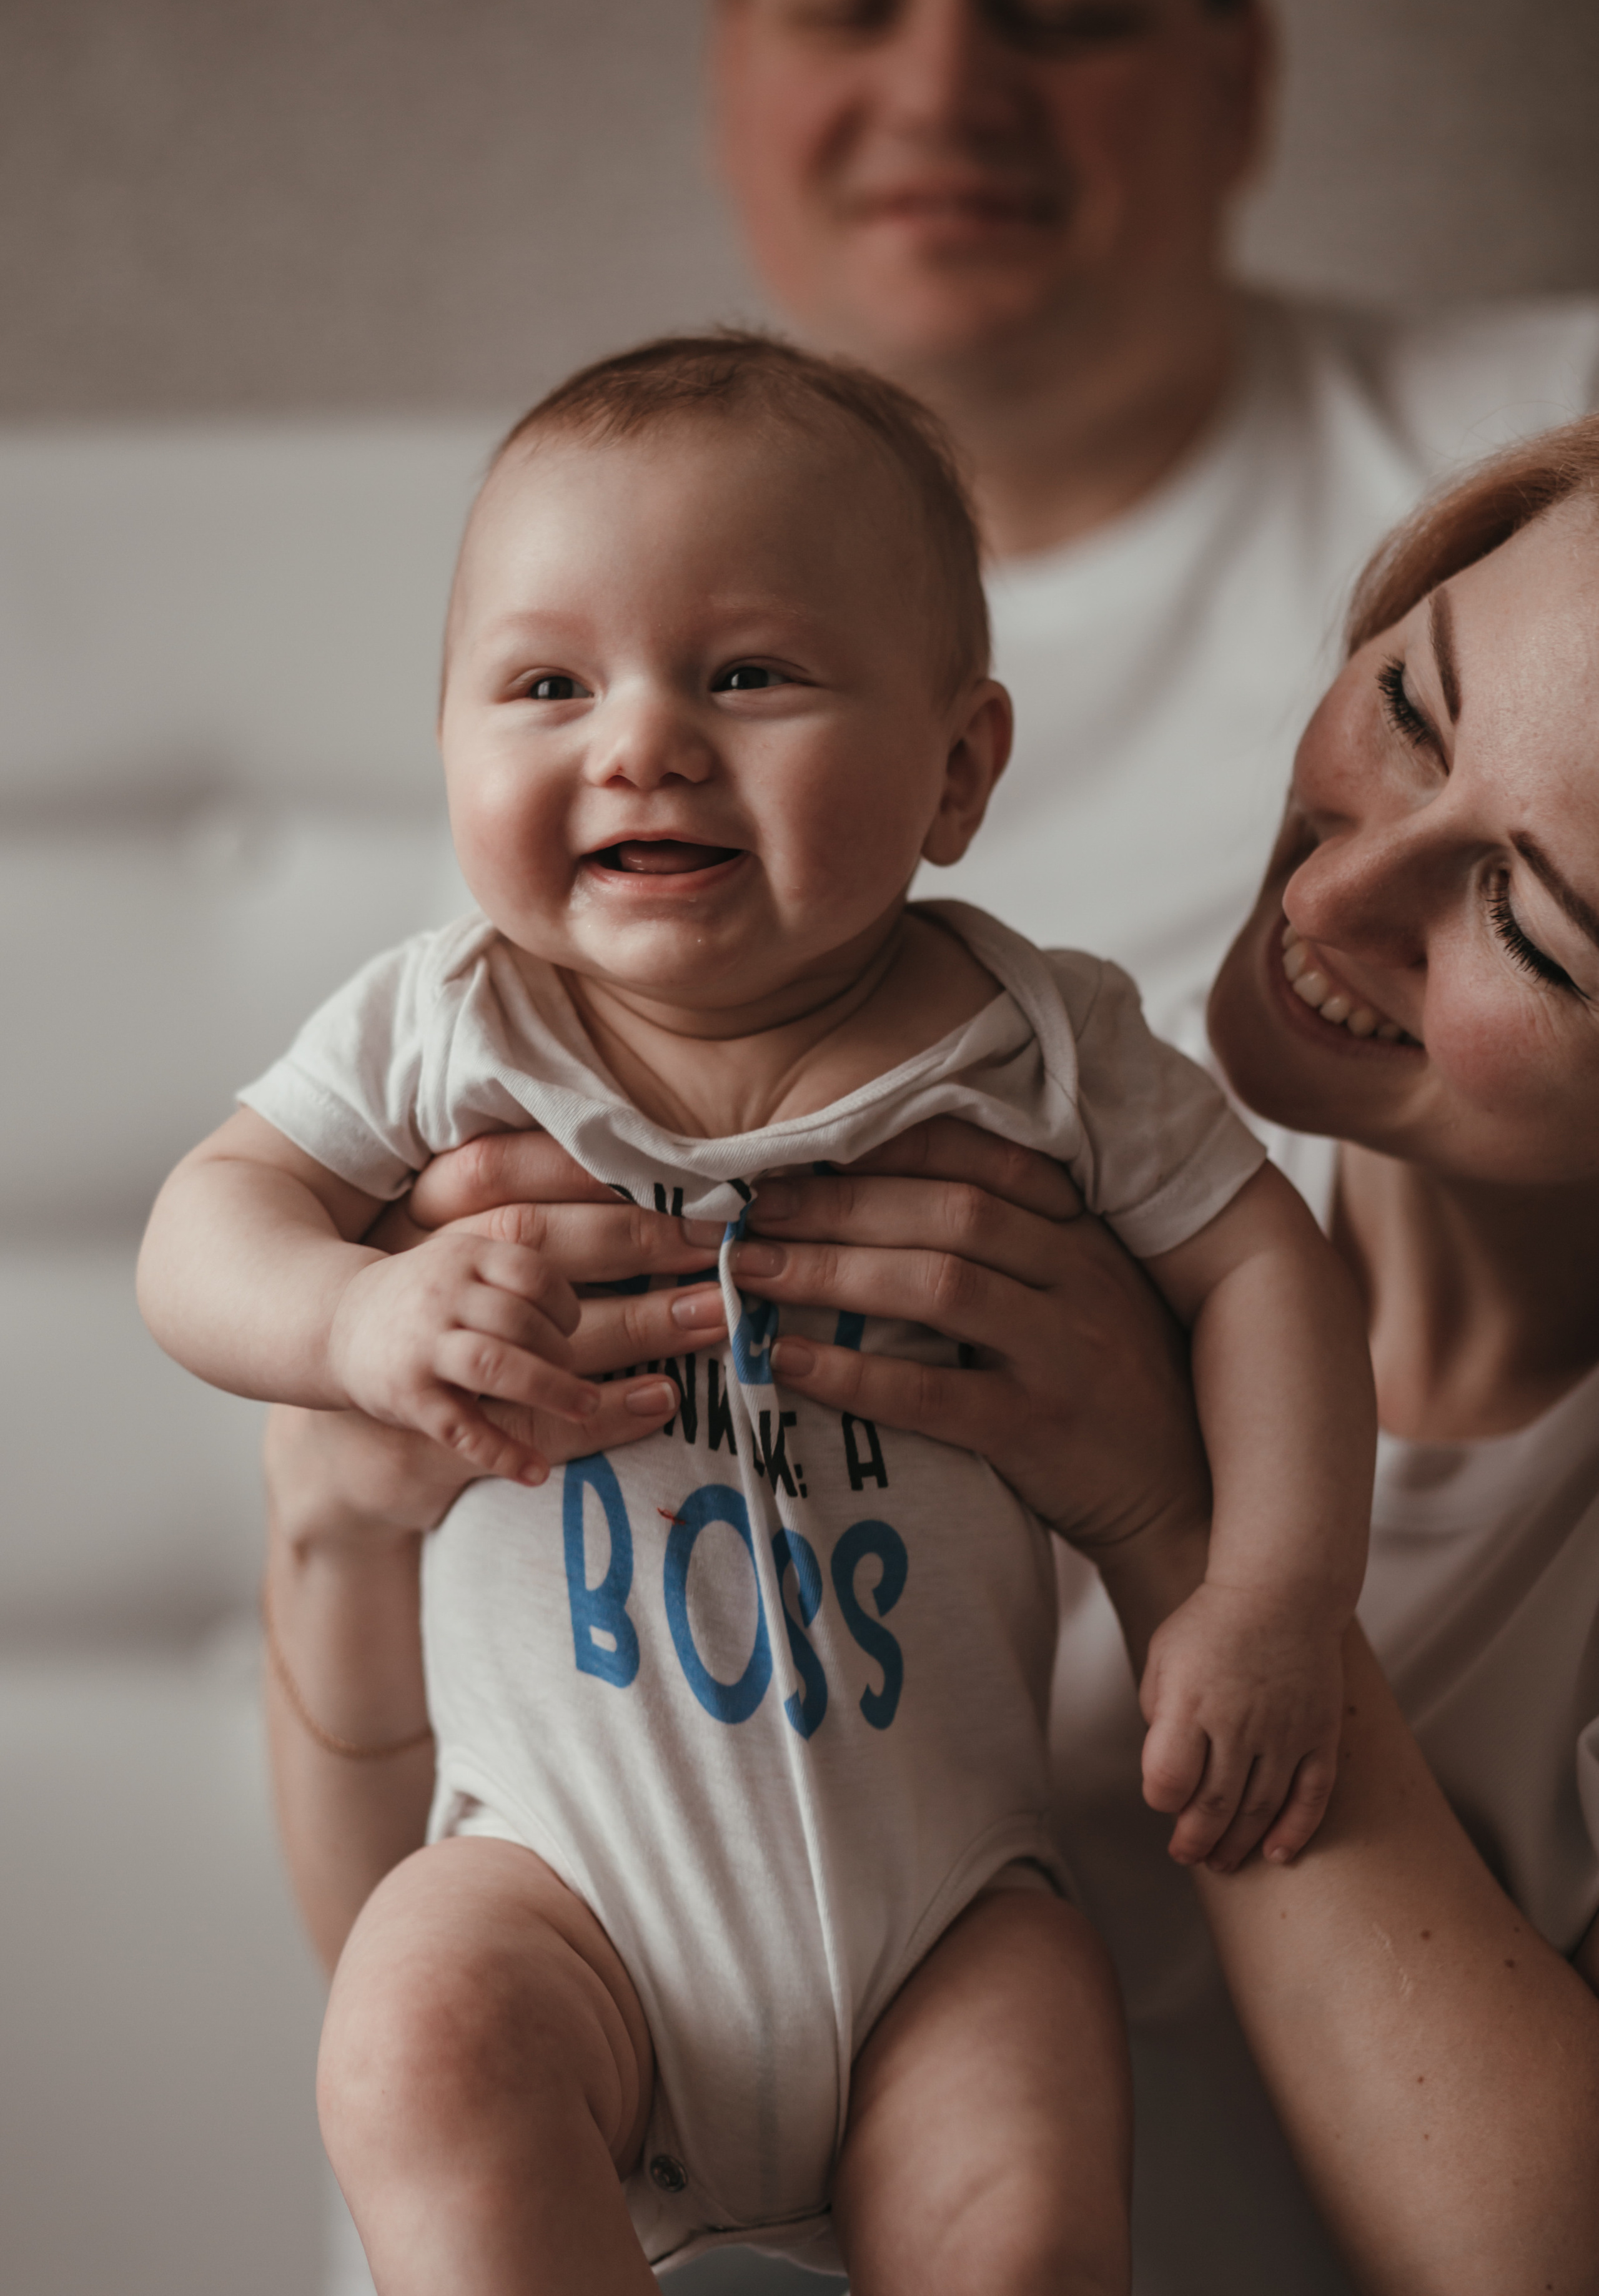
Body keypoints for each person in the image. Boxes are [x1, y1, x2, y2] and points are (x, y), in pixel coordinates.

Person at [264, 415, 1599, 2295]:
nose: (1331, 898)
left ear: (962, 763)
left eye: (1533, 929)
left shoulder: (1050, 1088)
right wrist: (335, 1503)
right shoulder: (859, 1013)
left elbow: (1536, 2251)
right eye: (1407, 711)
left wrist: (1182, 1533)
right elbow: (393, 1965)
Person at [712, 0, 1599, 1025]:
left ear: (1237, 82)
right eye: (850, 6)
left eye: (1067, 13)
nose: (940, 92)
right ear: (731, 69)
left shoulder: (1569, 434)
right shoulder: (572, 595)